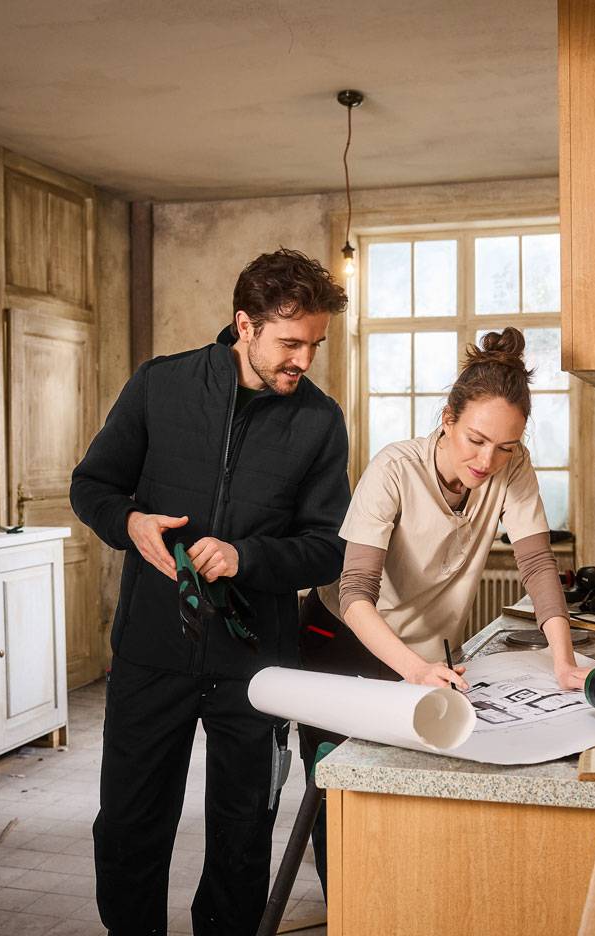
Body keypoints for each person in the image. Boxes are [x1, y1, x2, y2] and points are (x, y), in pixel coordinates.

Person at [70, 248, 351, 936]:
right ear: (244, 326)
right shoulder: (159, 387)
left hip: (256, 665)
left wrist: (245, 556)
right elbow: (92, 486)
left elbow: (328, 545)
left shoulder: (319, 421)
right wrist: (129, 522)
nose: (304, 360)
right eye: (290, 342)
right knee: (132, 822)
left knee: (241, 832)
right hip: (151, 651)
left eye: (315, 344)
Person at [298, 326, 593, 896]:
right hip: (341, 637)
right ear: (447, 418)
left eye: (506, 446)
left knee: (408, 798)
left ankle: (400, 911)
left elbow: (536, 567)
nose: (489, 460)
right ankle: (348, 912)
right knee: (342, 794)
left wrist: (564, 662)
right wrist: (413, 669)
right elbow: (357, 592)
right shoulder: (393, 469)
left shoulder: (512, 465)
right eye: (477, 440)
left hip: (421, 654)